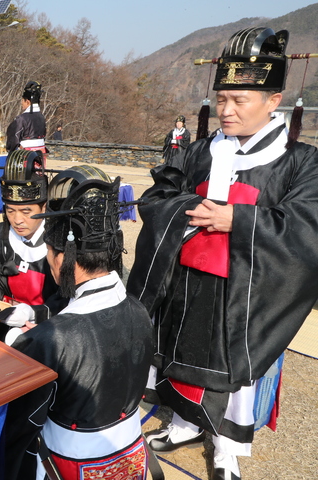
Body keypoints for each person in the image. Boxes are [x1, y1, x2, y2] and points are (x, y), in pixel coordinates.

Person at [127, 27, 318, 480]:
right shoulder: (198, 151)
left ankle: (226, 447)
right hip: (185, 282)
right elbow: (156, 199)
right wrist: (189, 208)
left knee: (233, 375)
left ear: (273, 101)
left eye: (240, 101)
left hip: (245, 292)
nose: (226, 111)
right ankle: (180, 424)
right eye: (223, 98)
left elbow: (308, 226)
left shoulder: (301, 162)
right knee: (174, 352)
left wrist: (241, 220)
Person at [1, 167, 153, 480]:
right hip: (131, 460)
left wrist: (19, 345)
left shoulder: (49, 341)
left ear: (62, 256)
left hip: (69, 465)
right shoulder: (140, 311)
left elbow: (19, 427)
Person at [0, 150, 60, 338]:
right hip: (5, 320)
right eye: (11, 210)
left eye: (26, 211)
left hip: (45, 327)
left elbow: (67, 297)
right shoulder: (2, 234)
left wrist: (33, 313)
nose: (17, 220)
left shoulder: (58, 241)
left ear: (44, 206)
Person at [6, 81, 47, 154]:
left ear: (27, 102)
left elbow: (14, 139)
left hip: (26, 154)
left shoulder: (21, 119)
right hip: (41, 152)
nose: (21, 103)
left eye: (23, 101)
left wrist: (9, 149)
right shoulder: (41, 117)